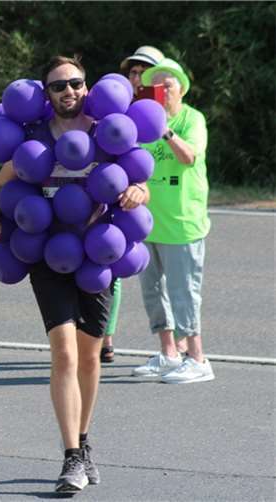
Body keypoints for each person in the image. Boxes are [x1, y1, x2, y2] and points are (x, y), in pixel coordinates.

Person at [0, 56, 149, 492]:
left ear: (86, 87)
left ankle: (84, 441)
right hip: (49, 255)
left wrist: (137, 191)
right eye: (58, 86)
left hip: (98, 256)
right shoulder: (34, 138)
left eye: (75, 83)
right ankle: (71, 456)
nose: (68, 91)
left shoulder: (106, 133)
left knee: (90, 358)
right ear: (47, 93)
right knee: (65, 355)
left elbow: (140, 183)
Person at [131, 59, 215, 384]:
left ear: (181, 89)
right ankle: (169, 354)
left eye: (168, 85)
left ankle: (198, 359)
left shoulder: (192, 119)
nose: (162, 91)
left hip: (182, 224)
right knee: (153, 292)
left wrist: (164, 130)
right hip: (147, 222)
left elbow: (188, 157)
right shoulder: (142, 122)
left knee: (184, 293)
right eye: (156, 86)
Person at [101, 45, 166, 364]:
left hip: (167, 210)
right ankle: (105, 338)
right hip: (125, 200)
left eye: (144, 72)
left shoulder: (170, 113)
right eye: (133, 72)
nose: (137, 77)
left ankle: (176, 349)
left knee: (167, 282)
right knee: (109, 268)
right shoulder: (116, 110)